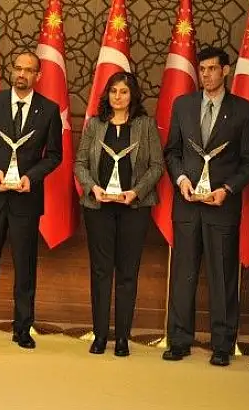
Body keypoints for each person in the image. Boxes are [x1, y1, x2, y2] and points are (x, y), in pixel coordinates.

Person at [163, 46, 249, 367]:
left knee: (222, 276)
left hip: (222, 206)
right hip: (187, 204)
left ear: (225, 71)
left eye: (212, 69)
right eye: (202, 69)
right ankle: (179, 340)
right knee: (183, 274)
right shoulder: (183, 105)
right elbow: (172, 152)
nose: (206, 75)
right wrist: (181, 180)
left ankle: (222, 344)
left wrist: (227, 189)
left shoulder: (244, 111)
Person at [0, 51, 62, 348]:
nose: (22, 74)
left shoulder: (49, 109)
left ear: (38, 76)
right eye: (18, 68)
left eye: (28, 70)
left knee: (25, 264)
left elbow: (54, 155)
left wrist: (32, 177)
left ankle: (23, 327)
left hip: (25, 199)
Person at [74, 71, 164, 356]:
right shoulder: (95, 125)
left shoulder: (145, 125)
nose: (118, 96)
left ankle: (122, 337)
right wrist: (92, 188)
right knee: (101, 271)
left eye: (124, 91)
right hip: (98, 208)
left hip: (133, 209)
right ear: (107, 94)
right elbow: (79, 163)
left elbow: (157, 166)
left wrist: (136, 191)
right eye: (113, 91)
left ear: (132, 95)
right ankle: (100, 335)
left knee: (127, 273)